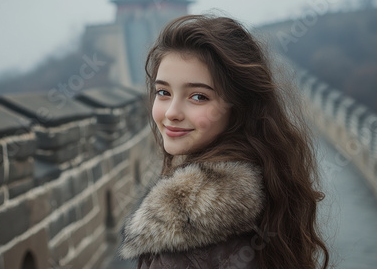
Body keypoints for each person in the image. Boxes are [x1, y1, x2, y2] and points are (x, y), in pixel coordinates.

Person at [118, 14, 330, 269]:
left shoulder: (183, 236)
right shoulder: (271, 183)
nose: (172, 112)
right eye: (163, 92)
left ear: (238, 106)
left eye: (198, 96)